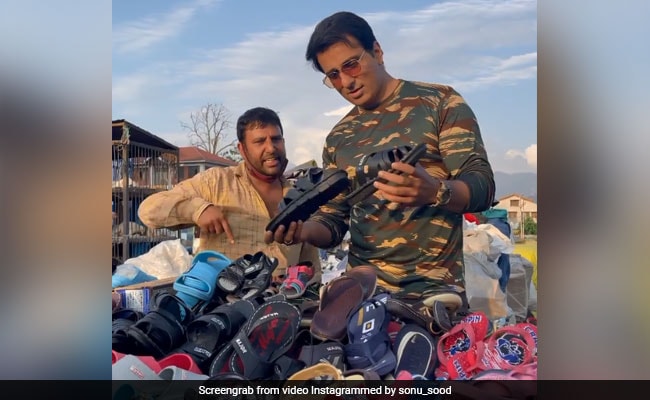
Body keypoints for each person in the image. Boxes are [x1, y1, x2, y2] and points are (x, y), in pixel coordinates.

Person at [265, 11, 495, 298]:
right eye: (333, 75)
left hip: (435, 297)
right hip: (362, 297)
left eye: (351, 65)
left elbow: (482, 184)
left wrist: (436, 191)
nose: (346, 82)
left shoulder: (439, 103)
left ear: (377, 51)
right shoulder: (338, 138)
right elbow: (334, 222)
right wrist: (302, 232)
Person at [139, 107, 321, 276]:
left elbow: (310, 265)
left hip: (283, 305)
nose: (271, 148)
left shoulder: (299, 195)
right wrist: (197, 210)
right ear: (242, 149)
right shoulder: (216, 182)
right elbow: (148, 210)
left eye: (276, 139)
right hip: (223, 305)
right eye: (259, 141)